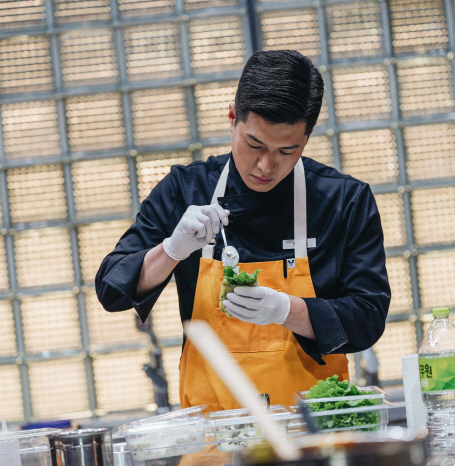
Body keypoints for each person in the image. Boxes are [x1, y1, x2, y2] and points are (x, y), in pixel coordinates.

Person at [96, 50, 390, 412]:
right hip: (213, 431)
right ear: (233, 117)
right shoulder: (184, 190)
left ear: (308, 135)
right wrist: (171, 250)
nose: (266, 165)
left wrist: (286, 310)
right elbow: (112, 289)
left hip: (312, 430)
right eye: (254, 144)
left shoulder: (343, 200)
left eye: (287, 150)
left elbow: (368, 318)